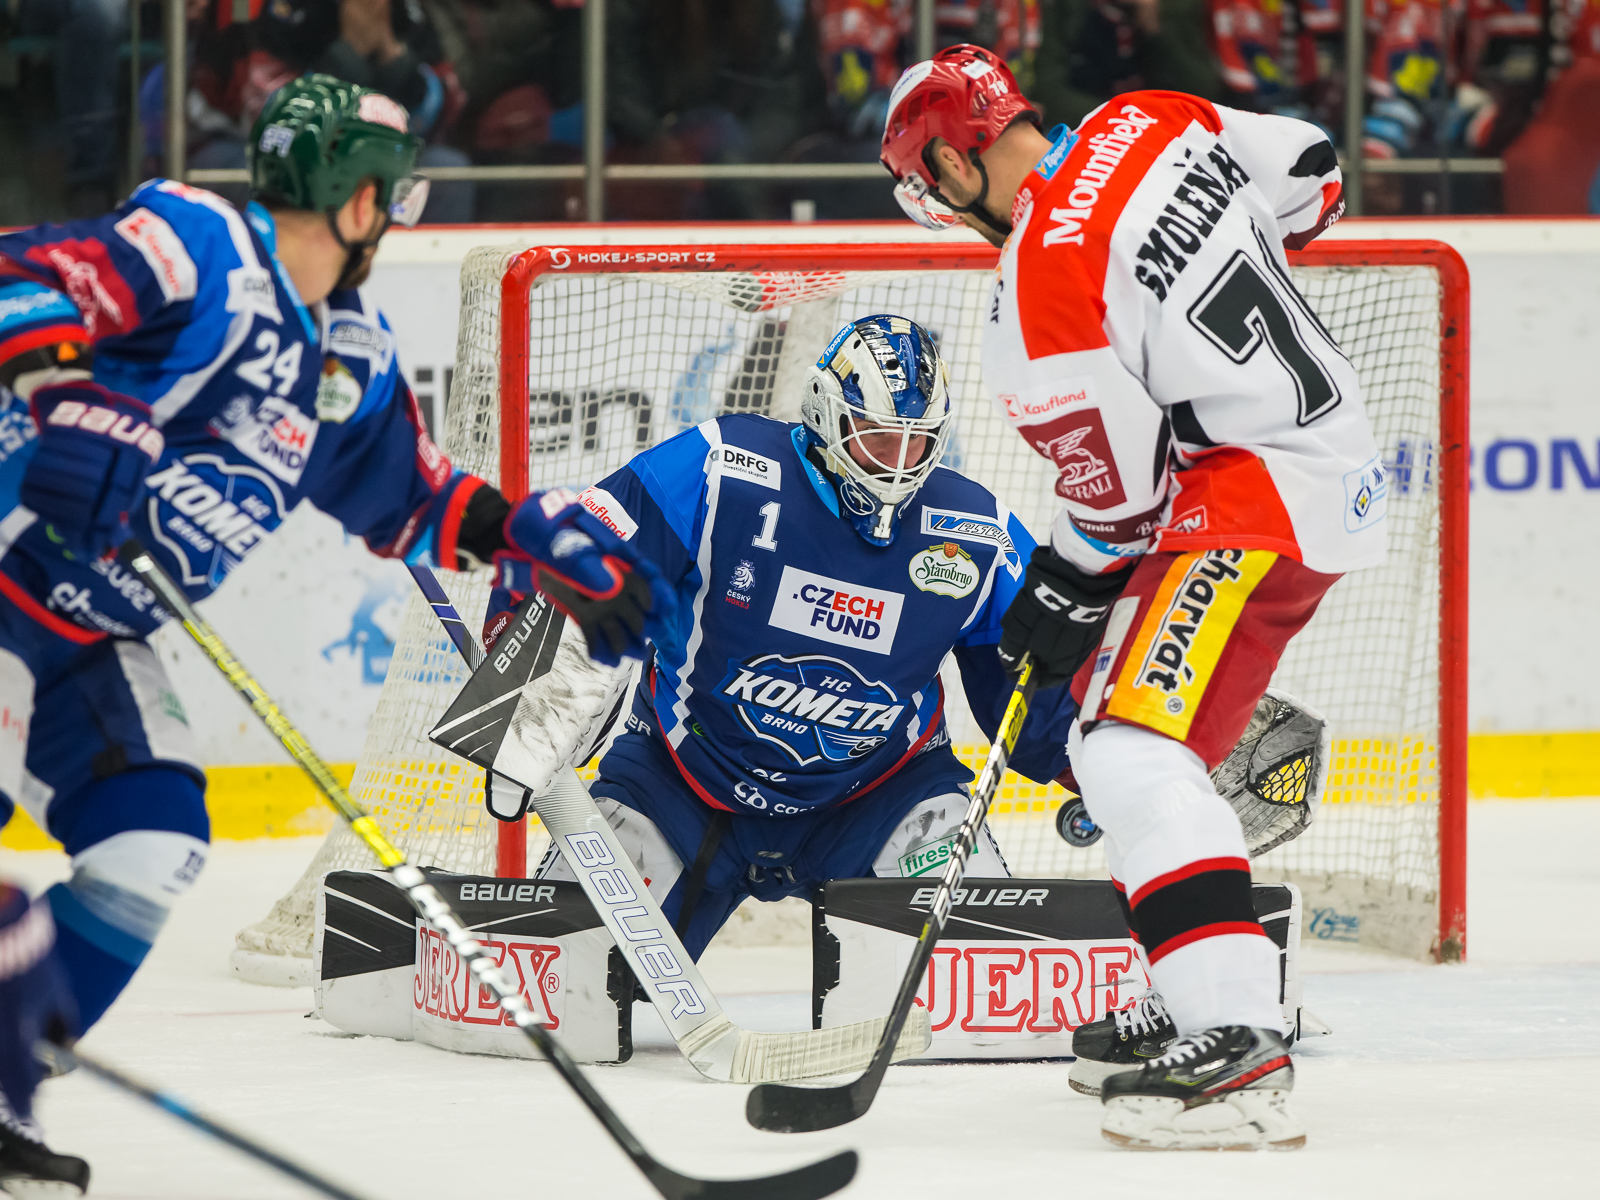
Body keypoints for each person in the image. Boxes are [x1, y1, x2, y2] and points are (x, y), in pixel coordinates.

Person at [0, 74, 666, 1188]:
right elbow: (22, 270)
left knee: (152, 838)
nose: (395, 214)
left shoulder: (346, 354)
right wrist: (61, 390)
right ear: (361, 200)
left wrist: (523, 534)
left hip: (87, 631)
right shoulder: (201, 244)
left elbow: (411, 495)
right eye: (392, 194)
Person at [880, 45, 1373, 1150]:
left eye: (931, 190)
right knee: (1131, 742)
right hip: (1309, 457)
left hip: (1255, 490)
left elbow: (1117, 509)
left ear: (952, 166)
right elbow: (1313, 169)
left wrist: (1057, 592)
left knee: (1128, 748)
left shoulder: (1036, 290)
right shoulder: (1147, 117)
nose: (945, 213)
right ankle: (1192, 987)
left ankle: (1237, 1038)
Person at [523, 315, 1080, 955]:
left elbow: (1038, 689)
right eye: (877, 437)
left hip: (884, 796)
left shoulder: (978, 531)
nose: (898, 465)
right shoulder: (721, 467)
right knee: (569, 975)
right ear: (826, 413)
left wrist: (1093, 768)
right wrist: (521, 693)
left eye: (918, 443)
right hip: (680, 782)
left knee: (977, 976)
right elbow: (580, 555)